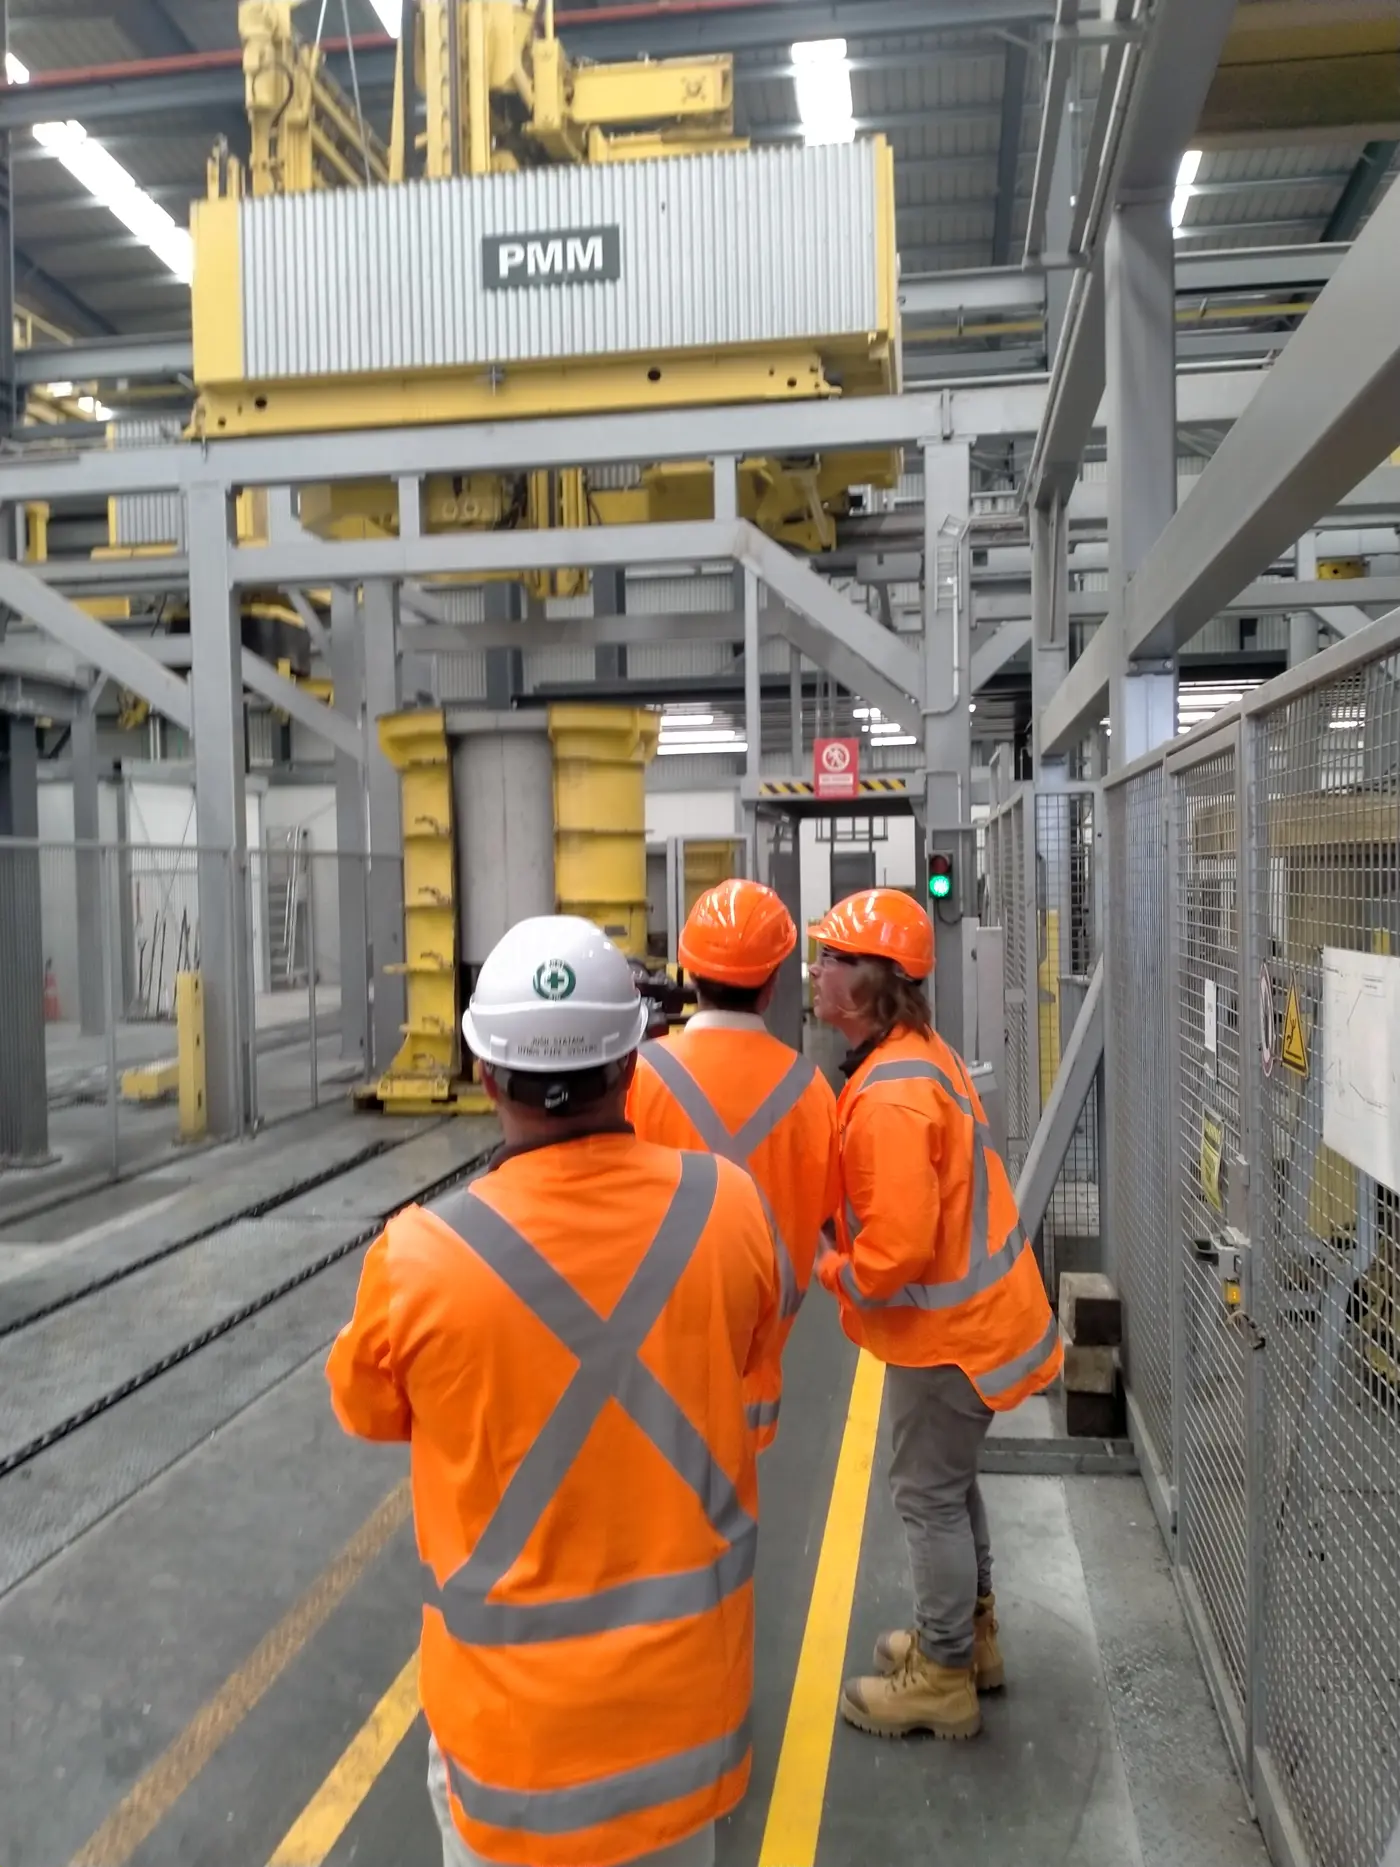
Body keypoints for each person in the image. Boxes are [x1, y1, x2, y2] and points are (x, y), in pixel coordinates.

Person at [326, 915, 781, 1867]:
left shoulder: (418, 1257)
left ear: (484, 1074)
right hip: (683, 1736)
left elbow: (367, 1409)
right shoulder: (729, 1206)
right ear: (636, 1061)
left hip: (514, 1755)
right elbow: (747, 1347)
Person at [807, 888, 1061, 1743]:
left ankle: (942, 1678)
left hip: (949, 1340)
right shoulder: (913, 1054)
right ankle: (968, 1637)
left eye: (832, 959)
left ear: (873, 981)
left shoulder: (889, 1097)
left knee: (925, 1499)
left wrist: (830, 1265)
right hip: (976, 1325)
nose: (815, 972)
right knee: (949, 1491)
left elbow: (895, 1255)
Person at [627, 879, 840, 1450]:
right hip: (750, 1385)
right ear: (772, 987)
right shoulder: (814, 1093)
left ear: (690, 975)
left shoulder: (639, 1078)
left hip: (643, 1377)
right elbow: (827, 1217)